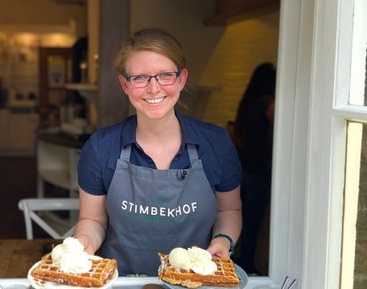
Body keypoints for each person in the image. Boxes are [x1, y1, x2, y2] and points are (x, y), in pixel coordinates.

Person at [73, 28, 242, 276]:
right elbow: (93, 220)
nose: (153, 89)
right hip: (122, 282)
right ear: (125, 84)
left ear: (181, 79)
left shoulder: (215, 143)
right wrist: (85, 241)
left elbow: (229, 210)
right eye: (140, 78)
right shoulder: (100, 148)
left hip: (196, 282)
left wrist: (224, 238)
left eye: (165, 75)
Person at [232, 62, 276, 275]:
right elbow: (283, 123)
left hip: (247, 168)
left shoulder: (248, 102)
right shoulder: (267, 102)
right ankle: (247, 267)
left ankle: (243, 264)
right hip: (259, 170)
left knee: (247, 222)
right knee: (253, 224)